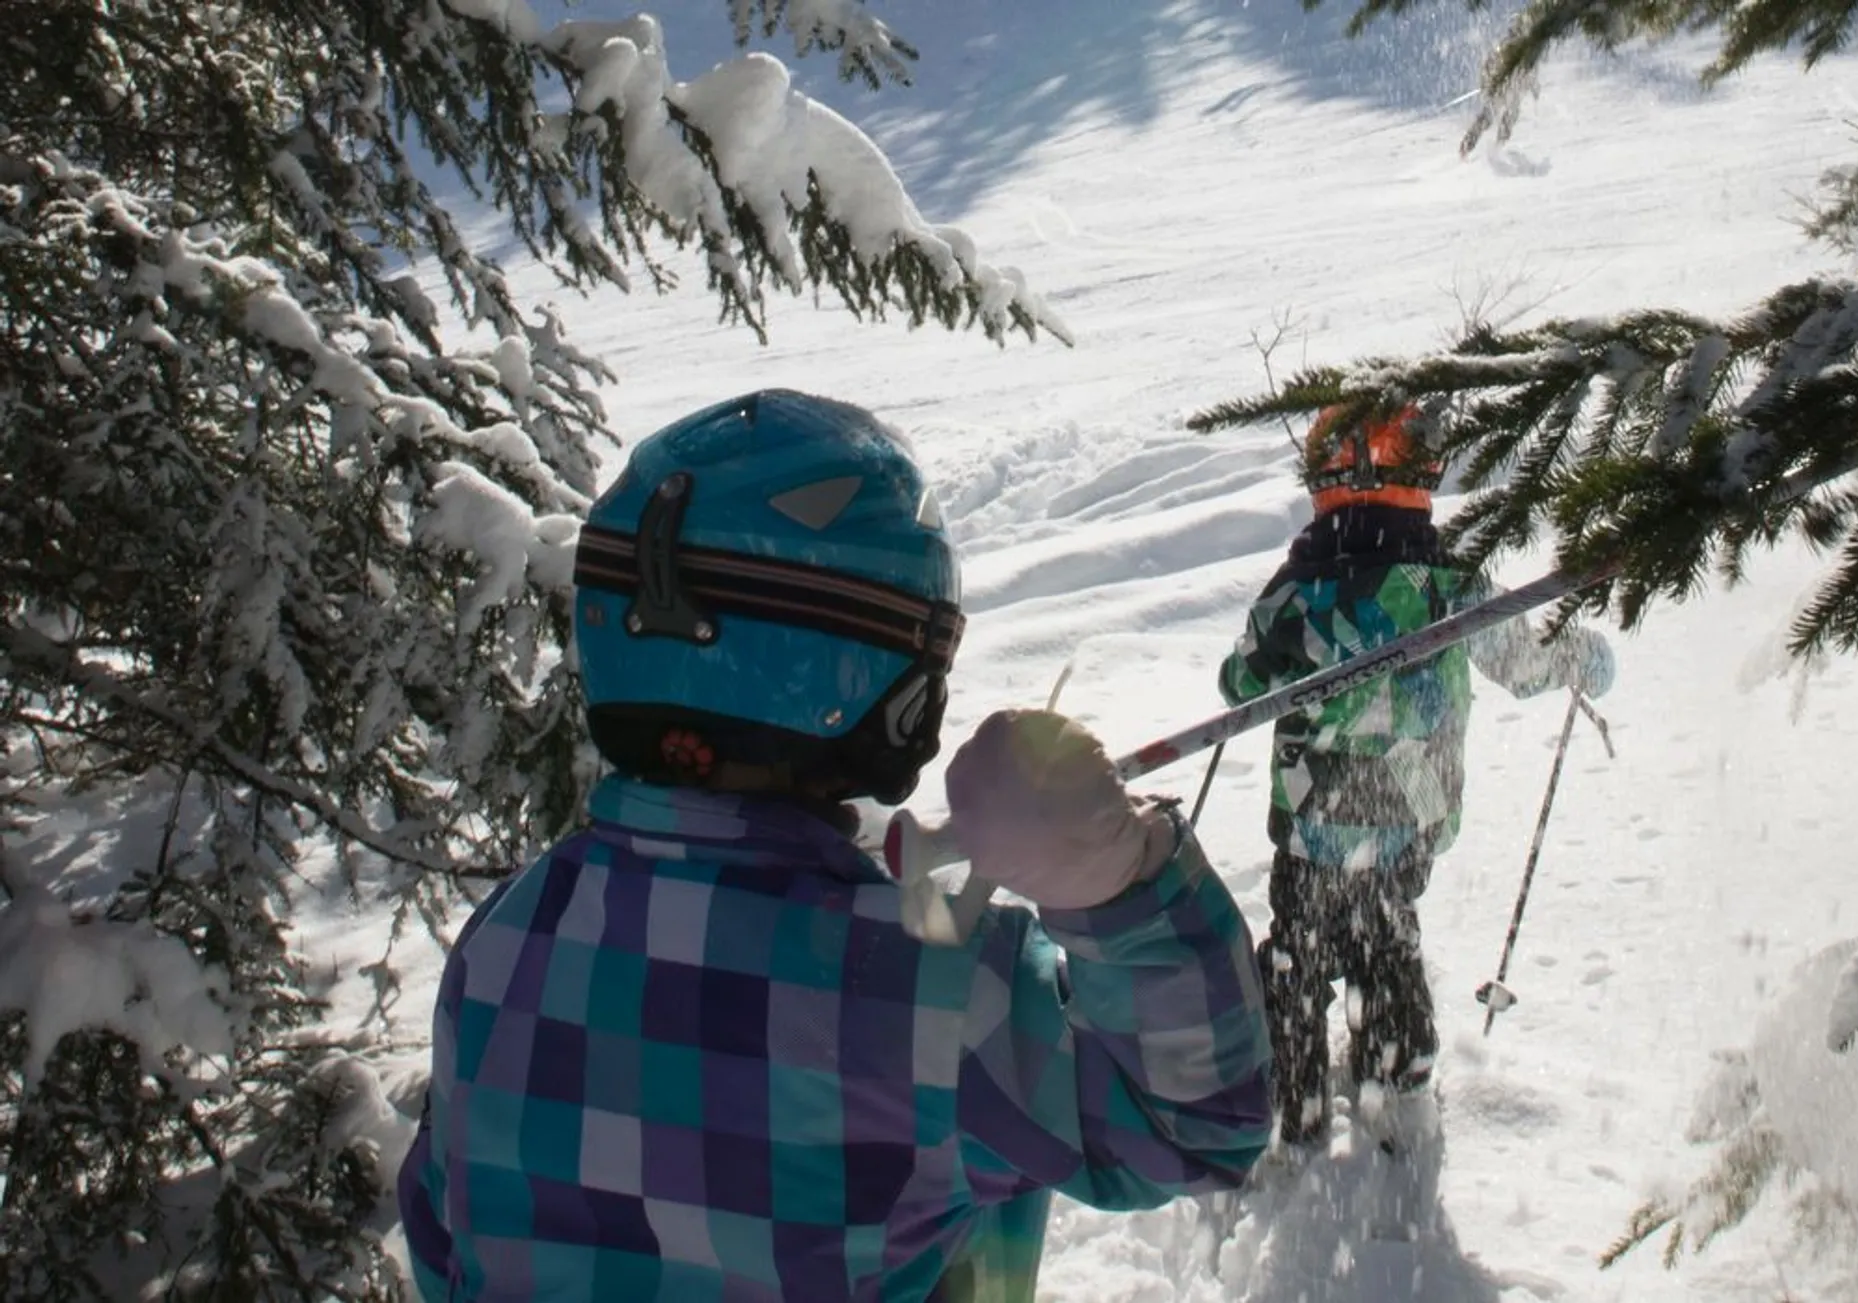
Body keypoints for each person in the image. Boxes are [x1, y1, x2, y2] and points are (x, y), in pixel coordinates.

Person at [397, 389, 1273, 1302]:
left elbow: (442, 1237)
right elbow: (1201, 1129)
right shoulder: (927, 982)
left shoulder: (509, 933)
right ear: (867, 669)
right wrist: (1119, 883)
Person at [1219, 402, 1614, 1144]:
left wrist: (1266, 659)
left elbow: (1241, 683)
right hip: (1410, 810)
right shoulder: (1446, 581)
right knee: (1386, 931)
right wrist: (1575, 658)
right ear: (1419, 472)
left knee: (1300, 944)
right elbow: (1520, 662)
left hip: (1311, 817)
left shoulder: (1297, 587)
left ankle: (1292, 1093)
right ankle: (1396, 1069)